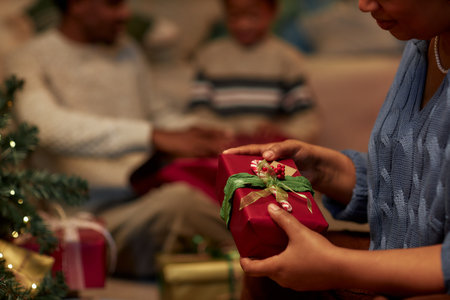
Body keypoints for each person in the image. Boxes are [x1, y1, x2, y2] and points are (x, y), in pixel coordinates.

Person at [224, 0, 450, 297]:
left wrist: (337, 265)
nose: (364, 5)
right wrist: (325, 170)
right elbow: (426, 190)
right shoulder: (424, 42)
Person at [5, 0, 234, 278]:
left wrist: (202, 132)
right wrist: (151, 136)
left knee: (230, 187)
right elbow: (47, 127)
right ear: (77, 5)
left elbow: (156, 113)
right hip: (86, 219)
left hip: (147, 188)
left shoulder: (126, 49)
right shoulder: (27, 57)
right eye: (113, 4)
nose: (125, 13)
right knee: (182, 205)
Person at [186, 0, 320, 144]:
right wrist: (222, 132)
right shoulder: (209, 57)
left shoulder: (286, 59)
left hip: (270, 151)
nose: (243, 24)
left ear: (272, 13)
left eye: (253, 16)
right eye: (234, 16)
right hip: (221, 149)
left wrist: (283, 132)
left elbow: (305, 119)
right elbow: (199, 112)